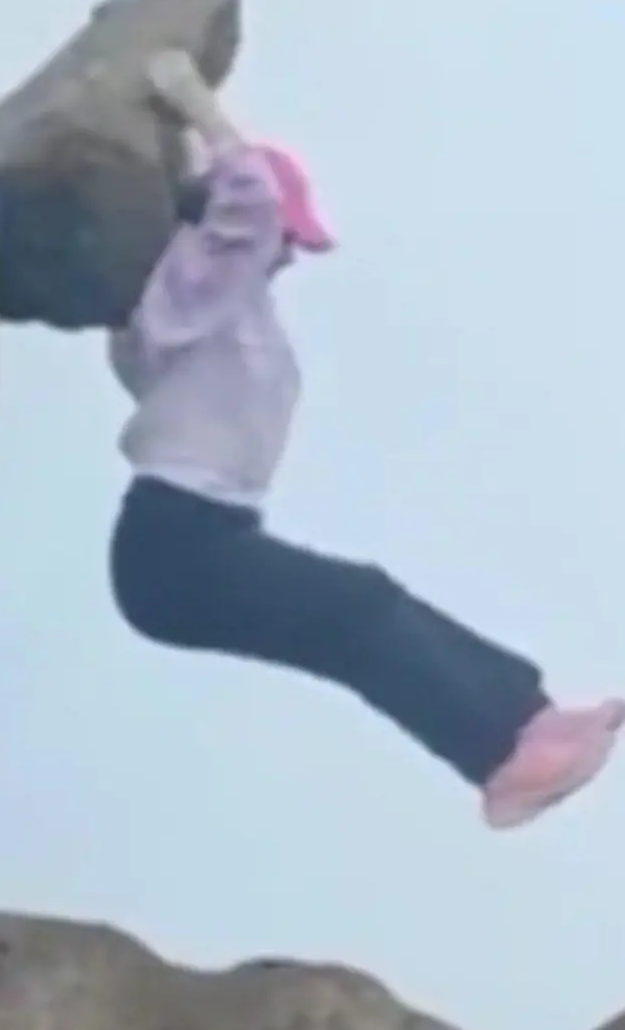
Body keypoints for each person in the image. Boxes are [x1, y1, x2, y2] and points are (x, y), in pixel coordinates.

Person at [108, 48, 623, 829]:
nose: (284, 253)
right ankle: (501, 754)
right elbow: (240, 205)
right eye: (283, 239)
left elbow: (226, 212)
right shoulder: (180, 299)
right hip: (175, 545)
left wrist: (179, 134)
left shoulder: (223, 307)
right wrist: (196, 106)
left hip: (201, 540)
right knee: (359, 606)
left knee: (364, 610)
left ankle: (526, 723)